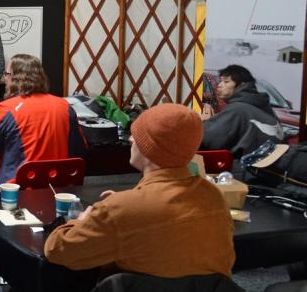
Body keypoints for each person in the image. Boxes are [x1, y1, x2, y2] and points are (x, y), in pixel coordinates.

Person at [44, 103, 235, 277]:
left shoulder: (121, 209)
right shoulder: (213, 197)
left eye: (138, 136)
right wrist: (126, 203)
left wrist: (84, 220)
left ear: (150, 148)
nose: (131, 139)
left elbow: (57, 250)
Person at [0, 54, 85, 183]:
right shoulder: (65, 107)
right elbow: (80, 149)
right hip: (59, 186)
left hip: (15, 190)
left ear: (14, 78)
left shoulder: (6, 109)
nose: (4, 79)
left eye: (6, 74)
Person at [200, 64, 284, 156]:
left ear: (242, 85)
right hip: (269, 167)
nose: (219, 85)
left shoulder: (238, 109)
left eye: (226, 82)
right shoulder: (264, 107)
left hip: (246, 167)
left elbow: (207, 139)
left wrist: (201, 123)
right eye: (220, 81)